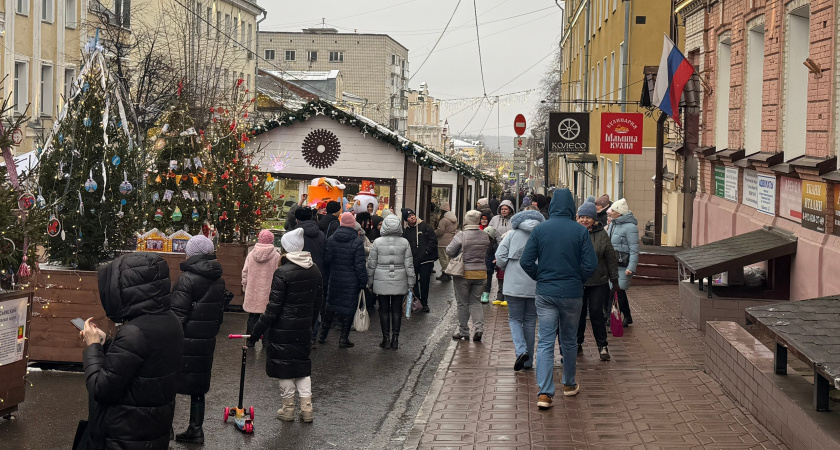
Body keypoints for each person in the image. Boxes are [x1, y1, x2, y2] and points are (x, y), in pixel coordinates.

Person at [78, 253, 183, 449]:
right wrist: (107, 343)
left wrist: (93, 347)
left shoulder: (133, 332)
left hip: (124, 436)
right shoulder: (170, 321)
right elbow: (140, 366)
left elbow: (101, 389)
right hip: (151, 431)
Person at [520, 188, 597, 408]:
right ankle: (569, 384)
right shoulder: (580, 231)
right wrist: (576, 279)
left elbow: (526, 261)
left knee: (545, 341)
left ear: (552, 206)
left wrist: (541, 276)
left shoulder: (540, 230)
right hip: (572, 293)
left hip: (546, 292)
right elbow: (591, 264)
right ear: (572, 207)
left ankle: (544, 393)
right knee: (569, 340)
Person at [248, 228, 323, 423]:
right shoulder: (314, 269)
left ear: (286, 249)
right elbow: (318, 302)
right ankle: (307, 408)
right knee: (302, 366)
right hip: (303, 327)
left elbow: (273, 309)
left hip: (283, 329)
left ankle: (288, 408)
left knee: (285, 367)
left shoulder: (283, 272)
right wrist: (309, 323)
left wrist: (256, 333)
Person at [170, 235, 225, 444]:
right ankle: (196, 429)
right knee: (199, 386)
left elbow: (177, 314)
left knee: (170, 384)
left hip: (183, 341)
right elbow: (219, 313)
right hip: (206, 340)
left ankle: (166, 429)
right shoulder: (219, 279)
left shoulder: (187, 278)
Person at [495, 209, 545, 371]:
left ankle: (521, 350)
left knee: (515, 319)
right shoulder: (541, 236)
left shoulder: (511, 235)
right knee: (530, 321)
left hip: (513, 284)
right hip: (535, 283)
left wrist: (507, 265)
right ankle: (528, 361)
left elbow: (500, 257)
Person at [575, 202, 619, 362]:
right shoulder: (574, 232)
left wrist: (614, 280)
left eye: (588, 217)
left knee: (596, 313)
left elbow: (610, 258)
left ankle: (602, 346)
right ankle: (577, 343)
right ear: (578, 218)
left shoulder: (601, 235)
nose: (585, 220)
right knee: (578, 314)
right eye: (582, 217)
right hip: (578, 281)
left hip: (598, 281)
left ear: (594, 219)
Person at [367, 214, 416, 350]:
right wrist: (411, 283)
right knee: (396, 310)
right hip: (400, 279)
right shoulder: (404, 242)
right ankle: (395, 339)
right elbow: (409, 265)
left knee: (383, 310)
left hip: (381, 279)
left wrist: (369, 280)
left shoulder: (377, 242)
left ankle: (385, 339)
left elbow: (372, 264)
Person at [320, 212, 368, 347]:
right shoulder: (357, 242)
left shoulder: (331, 239)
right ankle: (343, 339)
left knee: (330, 307)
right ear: (353, 225)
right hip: (351, 281)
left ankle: (322, 335)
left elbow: (327, 260)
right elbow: (360, 265)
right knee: (348, 309)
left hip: (335, 278)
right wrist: (363, 282)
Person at [446, 210, 491, 342]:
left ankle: (464, 331)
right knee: (475, 302)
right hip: (481, 273)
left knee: (462, 303)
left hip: (463, 273)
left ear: (466, 220)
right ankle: (479, 328)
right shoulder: (485, 235)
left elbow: (449, 250)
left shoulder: (461, 235)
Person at [242, 230, 281, 347]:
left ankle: (250, 340)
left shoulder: (251, 254)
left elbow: (245, 272)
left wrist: (245, 287)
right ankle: (266, 342)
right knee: (268, 318)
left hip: (253, 291)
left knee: (252, 317)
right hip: (268, 293)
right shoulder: (276, 256)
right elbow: (278, 275)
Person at [294, 207, 327, 347]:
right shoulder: (321, 234)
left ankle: (297, 336)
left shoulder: (295, 234)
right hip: (317, 274)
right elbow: (326, 255)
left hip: (297, 274)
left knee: (297, 306)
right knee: (315, 305)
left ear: (297, 219)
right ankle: (312, 336)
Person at [607, 198, 639, 327]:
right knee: (615, 290)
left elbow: (634, 249)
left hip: (623, 264)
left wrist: (631, 267)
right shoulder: (613, 224)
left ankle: (617, 317)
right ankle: (626, 316)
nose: (611, 212)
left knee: (618, 291)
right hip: (612, 263)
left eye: (613, 210)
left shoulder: (630, 228)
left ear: (619, 213)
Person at [402, 208, 438, 313]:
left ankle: (425, 302)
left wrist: (426, 251)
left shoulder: (425, 226)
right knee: (413, 282)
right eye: (408, 216)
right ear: (406, 220)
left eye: (412, 214)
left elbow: (433, 240)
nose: (412, 217)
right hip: (413, 260)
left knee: (424, 281)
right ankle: (418, 301)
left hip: (425, 260)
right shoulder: (406, 231)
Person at [434, 202, 458, 282]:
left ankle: (445, 273)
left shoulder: (444, 220)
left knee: (443, 258)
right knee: (448, 258)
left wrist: (434, 232)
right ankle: (448, 274)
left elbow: (440, 231)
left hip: (443, 241)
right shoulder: (454, 219)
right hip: (451, 240)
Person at [478, 212, 494, 304]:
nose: (483, 220)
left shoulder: (491, 231)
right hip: (480, 261)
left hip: (488, 262)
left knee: (488, 279)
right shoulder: (477, 229)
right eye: (482, 219)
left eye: (485, 219)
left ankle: (486, 295)